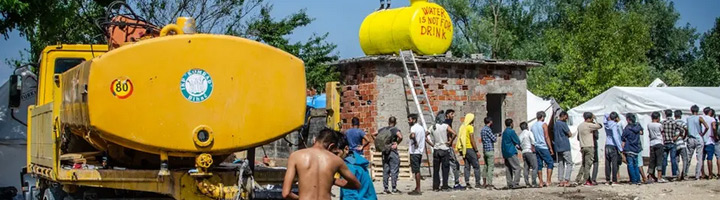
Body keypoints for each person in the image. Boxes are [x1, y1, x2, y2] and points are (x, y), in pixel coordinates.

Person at [282, 129, 360, 200]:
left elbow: (286, 193)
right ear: (331, 146)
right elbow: (356, 184)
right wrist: (334, 181)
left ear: (314, 140)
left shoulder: (296, 156)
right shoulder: (336, 161)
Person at [427, 111, 456, 191]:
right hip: (444, 149)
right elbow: (454, 133)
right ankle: (445, 186)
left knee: (436, 169)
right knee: (445, 169)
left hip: (436, 149)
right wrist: (450, 142)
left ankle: (435, 186)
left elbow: (425, 135)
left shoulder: (433, 126)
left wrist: (432, 144)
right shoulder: (445, 126)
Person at [375, 117, 403, 194]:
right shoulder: (395, 129)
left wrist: (380, 145)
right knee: (394, 169)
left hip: (384, 151)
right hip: (392, 151)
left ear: (388, 122)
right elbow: (400, 137)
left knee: (385, 170)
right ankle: (394, 188)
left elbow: (373, 134)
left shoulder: (383, 129)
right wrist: (396, 143)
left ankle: (386, 188)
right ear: (395, 122)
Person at [455, 113, 482, 189]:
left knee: (467, 166)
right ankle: (477, 183)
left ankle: (467, 183)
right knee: (476, 166)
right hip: (470, 148)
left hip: (464, 149)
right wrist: (476, 150)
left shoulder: (462, 127)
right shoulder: (470, 127)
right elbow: (472, 139)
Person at [575, 112, 602, 186]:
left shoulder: (580, 126)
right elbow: (600, 126)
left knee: (583, 164)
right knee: (588, 164)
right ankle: (585, 180)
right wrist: (595, 119)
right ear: (590, 118)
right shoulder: (589, 125)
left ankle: (578, 179)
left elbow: (578, 138)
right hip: (589, 146)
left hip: (582, 146)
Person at [686, 105, 709, 180]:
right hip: (698, 138)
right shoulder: (699, 118)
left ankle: (685, 173)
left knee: (688, 157)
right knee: (699, 158)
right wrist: (703, 133)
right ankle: (697, 175)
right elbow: (707, 127)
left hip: (690, 138)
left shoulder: (688, 119)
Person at [532, 111, 554, 187]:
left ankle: (541, 181)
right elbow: (546, 136)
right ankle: (548, 180)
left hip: (536, 146)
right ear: (542, 117)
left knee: (539, 164)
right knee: (550, 162)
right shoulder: (544, 125)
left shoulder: (533, 126)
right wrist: (550, 148)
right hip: (543, 146)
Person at [445, 109, 464, 189]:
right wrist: (450, 141)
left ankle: (446, 183)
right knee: (455, 164)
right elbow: (453, 134)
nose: (453, 116)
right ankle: (456, 183)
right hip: (448, 147)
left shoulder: (444, 123)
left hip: (444, 147)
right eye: (451, 114)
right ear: (447, 115)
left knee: (447, 165)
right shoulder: (447, 123)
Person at [622, 113, 643, 185]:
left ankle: (633, 180)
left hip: (629, 148)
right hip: (636, 148)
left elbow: (623, 138)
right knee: (636, 164)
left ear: (628, 120)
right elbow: (641, 132)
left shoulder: (627, 128)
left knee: (630, 165)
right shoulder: (638, 126)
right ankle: (638, 179)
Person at [553, 111, 573, 187]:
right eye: (566, 117)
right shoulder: (563, 124)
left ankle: (560, 180)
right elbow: (569, 133)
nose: (567, 119)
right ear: (564, 116)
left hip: (558, 147)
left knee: (560, 164)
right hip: (565, 146)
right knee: (569, 163)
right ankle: (567, 180)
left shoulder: (555, 124)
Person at [501, 118, 522, 189]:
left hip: (505, 152)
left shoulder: (504, 132)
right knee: (517, 168)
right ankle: (515, 183)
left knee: (508, 168)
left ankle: (509, 183)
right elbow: (516, 140)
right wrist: (520, 147)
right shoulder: (511, 132)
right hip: (511, 151)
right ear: (511, 124)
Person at [407, 114, 425, 195]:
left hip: (415, 152)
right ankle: (417, 187)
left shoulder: (413, 127)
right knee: (417, 169)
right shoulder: (421, 128)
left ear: (414, 120)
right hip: (420, 152)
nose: (408, 121)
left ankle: (418, 189)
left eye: (409, 120)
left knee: (416, 170)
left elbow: (413, 135)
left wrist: (414, 141)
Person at [604, 112, 623, 185]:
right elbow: (615, 137)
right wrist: (620, 148)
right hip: (613, 145)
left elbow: (604, 115)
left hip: (607, 144)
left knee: (607, 163)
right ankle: (614, 180)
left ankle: (607, 179)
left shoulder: (606, 124)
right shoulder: (614, 125)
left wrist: (608, 116)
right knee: (614, 163)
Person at [647, 111, 666, 183]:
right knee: (659, 160)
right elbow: (662, 133)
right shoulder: (659, 125)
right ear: (658, 118)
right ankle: (659, 177)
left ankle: (650, 176)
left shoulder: (649, 125)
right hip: (658, 142)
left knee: (652, 160)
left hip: (652, 143)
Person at [660, 110, 679, 179]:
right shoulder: (674, 122)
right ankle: (674, 174)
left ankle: (663, 174)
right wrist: (676, 136)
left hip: (665, 142)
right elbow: (682, 130)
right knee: (673, 159)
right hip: (672, 142)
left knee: (664, 159)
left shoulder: (662, 122)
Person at [479, 117, 497, 189]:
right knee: (490, 167)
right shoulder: (488, 129)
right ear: (489, 122)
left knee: (485, 166)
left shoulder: (482, 129)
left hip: (485, 150)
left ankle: (484, 183)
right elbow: (494, 139)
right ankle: (490, 183)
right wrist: (496, 135)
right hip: (490, 150)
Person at [518, 122, 538, 187]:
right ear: (527, 126)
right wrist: (533, 148)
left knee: (526, 167)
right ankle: (534, 182)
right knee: (534, 167)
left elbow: (518, 145)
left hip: (524, 152)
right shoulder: (529, 133)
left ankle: (527, 183)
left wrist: (522, 149)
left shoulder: (520, 135)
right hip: (529, 150)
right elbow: (533, 141)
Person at [674, 110, 690, 181]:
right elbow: (686, 128)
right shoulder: (682, 122)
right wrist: (684, 136)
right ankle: (684, 174)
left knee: (676, 160)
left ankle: (678, 174)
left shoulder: (673, 123)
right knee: (685, 159)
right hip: (681, 142)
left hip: (675, 143)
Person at [701, 107, 717, 179]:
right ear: (710, 112)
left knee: (701, 159)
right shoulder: (712, 119)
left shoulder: (701, 118)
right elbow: (714, 128)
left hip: (702, 140)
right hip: (710, 140)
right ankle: (710, 174)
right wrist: (715, 135)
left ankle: (702, 173)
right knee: (709, 158)